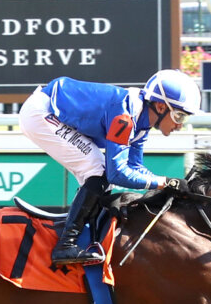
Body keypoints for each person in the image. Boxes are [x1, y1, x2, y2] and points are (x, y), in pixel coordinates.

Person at [19, 68, 201, 267]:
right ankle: (65, 245)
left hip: (50, 109)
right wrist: (165, 182)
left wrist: (165, 183)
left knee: (99, 174)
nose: (179, 125)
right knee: (98, 169)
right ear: (159, 106)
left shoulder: (141, 123)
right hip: (41, 113)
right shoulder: (124, 116)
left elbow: (135, 167)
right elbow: (117, 174)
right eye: (179, 116)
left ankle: (84, 236)